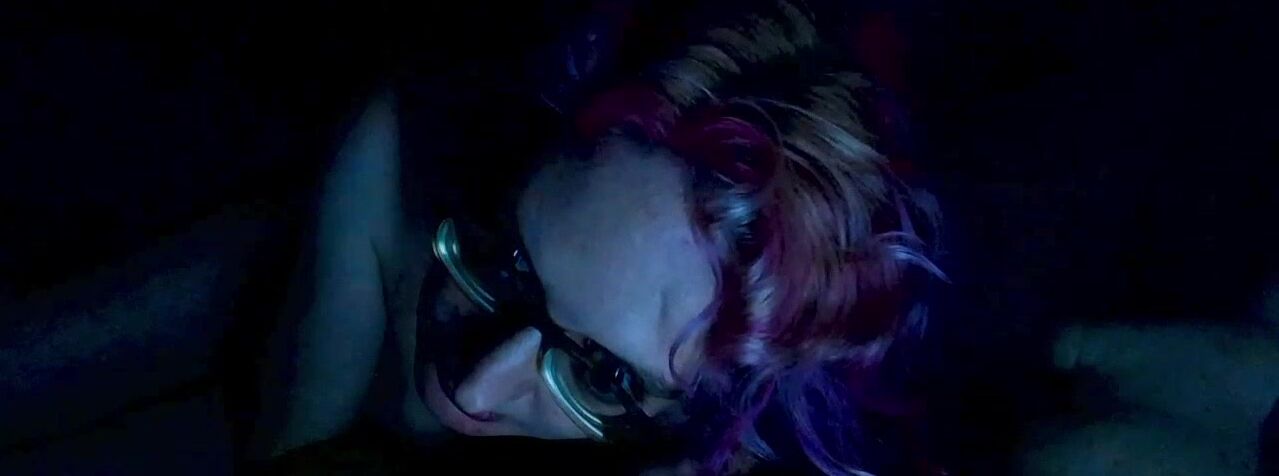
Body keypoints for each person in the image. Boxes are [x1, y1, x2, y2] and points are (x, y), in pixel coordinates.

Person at [247, 1, 947, 474]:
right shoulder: (398, 158)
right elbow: (290, 446)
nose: (474, 390)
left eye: (604, 377)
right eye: (508, 265)